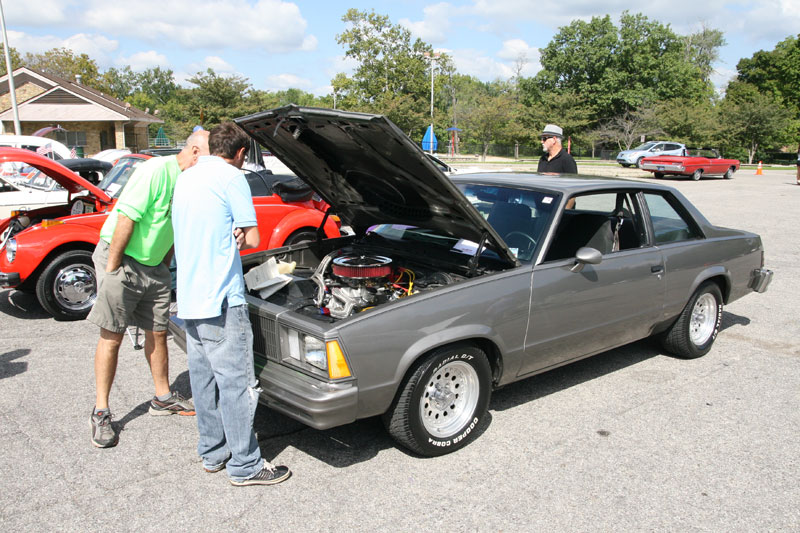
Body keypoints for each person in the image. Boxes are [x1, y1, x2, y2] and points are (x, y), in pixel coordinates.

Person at [172, 122, 291, 486]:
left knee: (203, 380)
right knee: (237, 385)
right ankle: (245, 465)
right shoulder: (232, 177)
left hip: (189, 298)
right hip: (223, 299)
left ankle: (213, 453)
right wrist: (239, 235)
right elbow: (253, 238)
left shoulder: (187, 177)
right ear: (240, 153)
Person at [88, 130, 209, 449]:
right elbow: (127, 217)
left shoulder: (191, 181)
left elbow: (171, 226)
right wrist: (114, 267)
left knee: (157, 332)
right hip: (122, 257)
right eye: (210, 158)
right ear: (195, 152)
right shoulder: (157, 171)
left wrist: (162, 265)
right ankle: (101, 411)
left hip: (154, 266)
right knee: (111, 335)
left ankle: (163, 397)